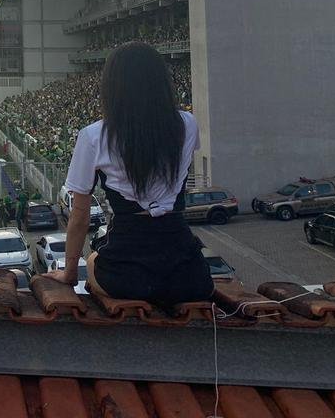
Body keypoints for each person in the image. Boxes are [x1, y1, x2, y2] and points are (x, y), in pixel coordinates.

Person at [45, 42, 213, 306]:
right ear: (161, 82)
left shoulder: (93, 136)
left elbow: (79, 217)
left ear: (113, 87)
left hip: (126, 272)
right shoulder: (187, 124)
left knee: (92, 260)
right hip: (187, 273)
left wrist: (68, 273)